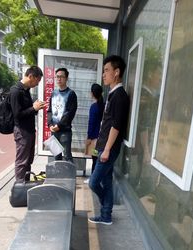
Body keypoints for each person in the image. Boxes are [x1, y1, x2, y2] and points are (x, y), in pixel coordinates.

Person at [88, 55, 129, 225]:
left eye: (107, 70)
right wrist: (98, 146)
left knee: (93, 182)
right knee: (106, 181)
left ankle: (106, 207)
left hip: (108, 148)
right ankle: (106, 216)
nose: (104, 74)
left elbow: (116, 125)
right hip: (102, 145)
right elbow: (106, 124)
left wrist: (106, 150)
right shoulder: (111, 94)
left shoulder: (120, 95)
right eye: (103, 71)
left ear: (117, 72)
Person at [10, 66, 46, 181]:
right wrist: (33, 108)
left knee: (28, 160)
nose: (37, 84)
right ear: (30, 76)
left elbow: (26, 110)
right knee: (22, 162)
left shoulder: (26, 90)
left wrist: (34, 107)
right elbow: (17, 114)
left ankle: (25, 184)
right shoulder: (16, 91)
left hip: (29, 131)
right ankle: (19, 188)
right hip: (22, 131)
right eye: (37, 81)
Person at [47, 68, 77, 162]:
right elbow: (50, 110)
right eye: (57, 77)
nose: (59, 79)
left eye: (61, 76)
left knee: (67, 156)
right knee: (56, 156)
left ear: (66, 78)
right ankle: (58, 176)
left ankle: (71, 176)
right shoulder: (53, 93)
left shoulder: (71, 94)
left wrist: (58, 126)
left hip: (65, 131)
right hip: (54, 131)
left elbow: (70, 113)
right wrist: (50, 125)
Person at [84, 83, 104, 184]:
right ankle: (98, 178)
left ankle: (93, 178)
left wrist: (89, 137)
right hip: (103, 138)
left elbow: (91, 123)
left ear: (92, 93)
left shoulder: (94, 107)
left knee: (95, 158)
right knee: (99, 159)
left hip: (95, 139)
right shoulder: (104, 106)